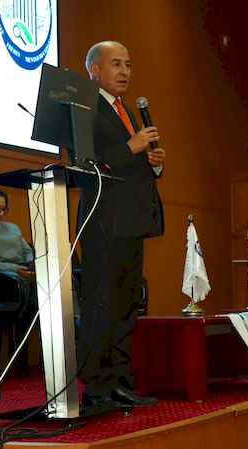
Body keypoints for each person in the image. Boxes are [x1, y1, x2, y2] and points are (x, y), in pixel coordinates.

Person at [77, 41, 166, 408]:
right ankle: (96, 386)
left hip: (131, 221)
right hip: (103, 221)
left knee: (127, 305)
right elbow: (86, 164)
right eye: (116, 64)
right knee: (102, 303)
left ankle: (120, 382)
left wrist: (154, 163)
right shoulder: (84, 107)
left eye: (128, 64)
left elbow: (131, 160)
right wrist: (132, 147)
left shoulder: (125, 110)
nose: (125, 71)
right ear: (94, 70)